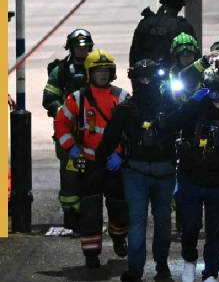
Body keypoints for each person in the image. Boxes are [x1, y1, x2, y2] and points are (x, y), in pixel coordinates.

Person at [160, 77, 219, 282]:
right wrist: (191, 104)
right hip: (190, 180)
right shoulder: (191, 115)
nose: (215, 104)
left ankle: (211, 273)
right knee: (190, 228)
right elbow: (168, 124)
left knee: (216, 233)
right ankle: (189, 262)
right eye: (211, 98)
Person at [96, 59, 175, 282]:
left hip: (136, 173)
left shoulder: (126, 109)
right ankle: (162, 269)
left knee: (137, 222)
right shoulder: (170, 106)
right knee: (162, 222)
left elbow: (107, 142)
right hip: (163, 172)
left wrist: (97, 167)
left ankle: (136, 271)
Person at [53, 49, 129, 268]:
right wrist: (72, 148)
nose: (103, 75)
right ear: (89, 73)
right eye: (98, 71)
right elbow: (61, 124)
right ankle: (91, 254)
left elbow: (131, 130)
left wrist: (120, 155)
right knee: (90, 212)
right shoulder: (78, 98)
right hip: (89, 163)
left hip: (114, 163)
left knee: (119, 208)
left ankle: (118, 237)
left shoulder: (122, 97)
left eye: (106, 71)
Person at [42, 28, 93, 231]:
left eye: (85, 47)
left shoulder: (98, 67)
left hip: (92, 132)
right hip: (68, 134)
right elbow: (49, 99)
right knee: (70, 177)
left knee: (91, 176)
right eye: (78, 47)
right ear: (70, 48)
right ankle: (71, 217)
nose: (82, 51)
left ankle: (89, 216)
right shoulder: (60, 70)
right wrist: (64, 113)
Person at [129, 0, 197, 68]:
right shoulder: (182, 26)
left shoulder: (145, 22)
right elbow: (193, 56)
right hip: (171, 76)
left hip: (145, 77)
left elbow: (134, 54)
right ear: (182, 2)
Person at [164, 32, 204, 106]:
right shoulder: (172, 74)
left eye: (189, 54)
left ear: (195, 55)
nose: (187, 58)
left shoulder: (204, 71)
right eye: (183, 55)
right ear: (177, 57)